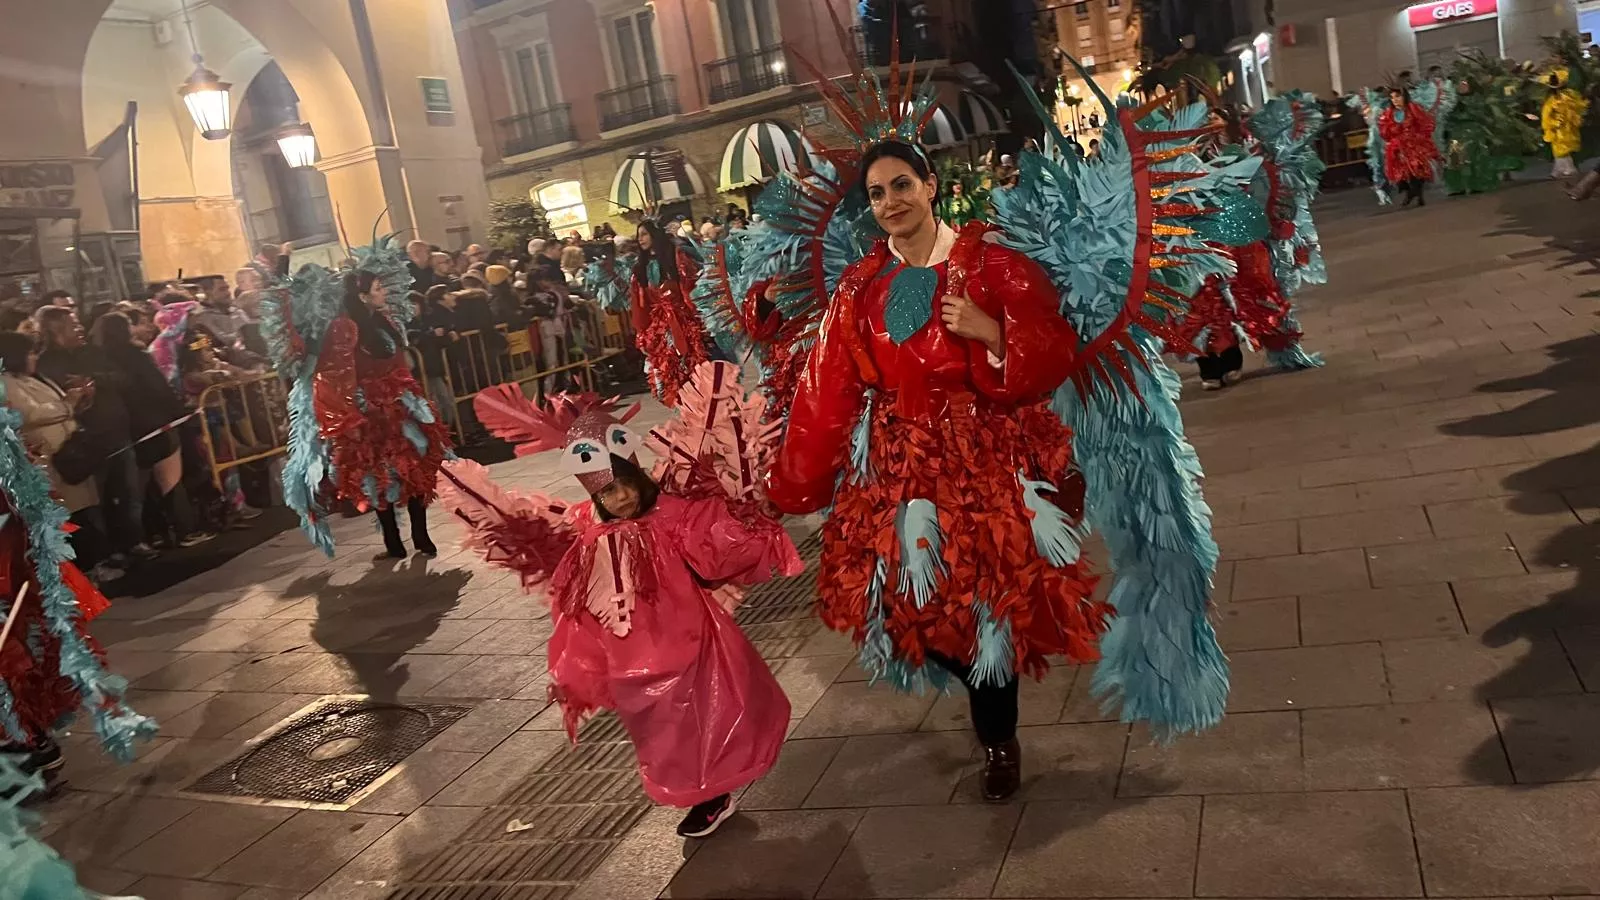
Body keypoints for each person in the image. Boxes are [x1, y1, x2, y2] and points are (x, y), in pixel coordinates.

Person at [766, 140, 1109, 801]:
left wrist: (991, 332)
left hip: (983, 462)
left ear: (930, 186)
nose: (891, 202)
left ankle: (998, 738)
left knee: (987, 609)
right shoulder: (861, 288)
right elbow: (827, 386)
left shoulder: (994, 267)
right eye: (877, 193)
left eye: (902, 185)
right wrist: (795, 481)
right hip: (899, 471)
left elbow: (1054, 348)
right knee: (904, 607)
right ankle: (984, 688)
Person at [437, 370, 801, 837]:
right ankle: (699, 788)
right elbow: (549, 551)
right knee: (662, 731)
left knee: (708, 714)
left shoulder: (670, 512)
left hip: (692, 644)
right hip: (629, 656)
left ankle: (713, 793)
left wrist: (744, 516)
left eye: (626, 483)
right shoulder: (586, 524)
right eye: (608, 490)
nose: (622, 497)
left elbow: (716, 544)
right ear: (594, 493)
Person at [314, 271, 452, 559]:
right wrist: (352, 408)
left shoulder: (383, 320)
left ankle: (420, 535)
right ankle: (394, 540)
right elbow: (336, 370)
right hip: (369, 412)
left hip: (400, 406)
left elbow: (399, 361)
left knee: (412, 469)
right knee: (379, 475)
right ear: (362, 296)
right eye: (378, 288)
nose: (384, 293)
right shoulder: (344, 328)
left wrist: (409, 393)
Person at [88, 313, 212, 550]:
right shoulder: (135, 356)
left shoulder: (99, 360)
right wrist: (176, 411)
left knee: (139, 488)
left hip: (128, 427)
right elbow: (158, 387)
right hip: (154, 422)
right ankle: (185, 530)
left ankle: (152, 534)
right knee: (169, 480)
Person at [0, 332, 107, 576]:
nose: (34, 357)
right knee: (70, 517)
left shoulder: (33, 378)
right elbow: (30, 414)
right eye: (29, 352)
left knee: (83, 512)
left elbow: (59, 407)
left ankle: (91, 568)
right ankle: (85, 571)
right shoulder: (7, 384)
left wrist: (78, 399)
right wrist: (68, 402)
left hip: (68, 452)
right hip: (49, 459)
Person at [629, 219, 712, 406]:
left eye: (644, 234)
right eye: (638, 235)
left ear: (654, 235)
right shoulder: (639, 268)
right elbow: (639, 304)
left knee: (694, 365)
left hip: (683, 321)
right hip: (658, 327)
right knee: (670, 372)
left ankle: (703, 404)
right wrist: (642, 332)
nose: (639, 239)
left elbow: (690, 287)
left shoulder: (675, 257)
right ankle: (685, 408)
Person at [1378, 85, 1439, 208]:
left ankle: (1417, 193)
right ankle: (1411, 193)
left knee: (1416, 169)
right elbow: (1384, 131)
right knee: (1400, 174)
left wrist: (1418, 137)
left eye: (1397, 96)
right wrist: (1392, 131)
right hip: (1397, 148)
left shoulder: (1413, 109)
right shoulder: (1389, 113)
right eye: (1392, 97)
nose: (1395, 100)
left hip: (1413, 145)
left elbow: (1425, 124)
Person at [1542, 71, 1587, 179]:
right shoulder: (1553, 99)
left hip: (1566, 127)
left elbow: (1577, 108)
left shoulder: (1568, 95)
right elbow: (1547, 115)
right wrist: (1555, 122)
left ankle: (1565, 170)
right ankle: (1562, 170)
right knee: (1560, 149)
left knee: (1564, 149)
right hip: (1559, 128)